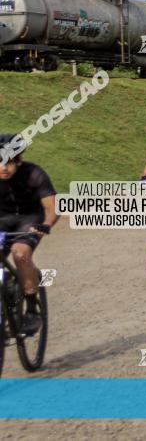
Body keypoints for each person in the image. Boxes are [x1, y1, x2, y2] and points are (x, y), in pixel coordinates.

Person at [0, 133, 57, 335]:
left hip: (30, 219)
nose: (3, 168)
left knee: (20, 254)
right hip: (3, 220)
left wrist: (45, 225)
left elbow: (52, 209)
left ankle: (32, 310)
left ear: (19, 160)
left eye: (9, 162)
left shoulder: (34, 174)